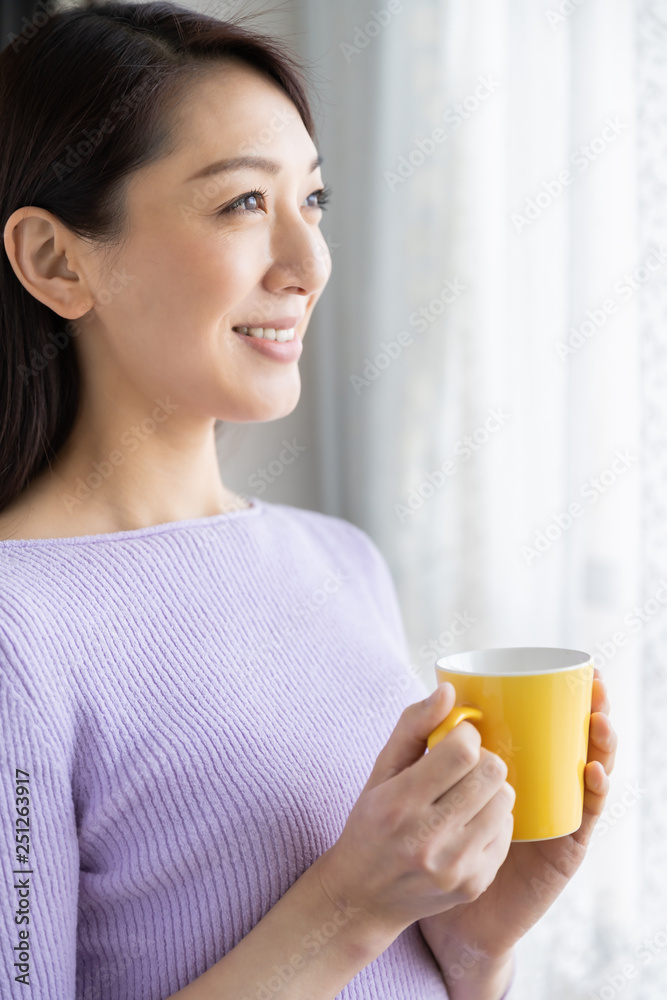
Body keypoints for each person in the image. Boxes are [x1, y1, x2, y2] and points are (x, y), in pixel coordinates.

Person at [0, 3, 617, 998]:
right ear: (56, 261)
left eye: (314, 201)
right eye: (243, 203)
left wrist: (470, 944)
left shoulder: (341, 561)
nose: (308, 263)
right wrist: (353, 904)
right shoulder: (17, 633)